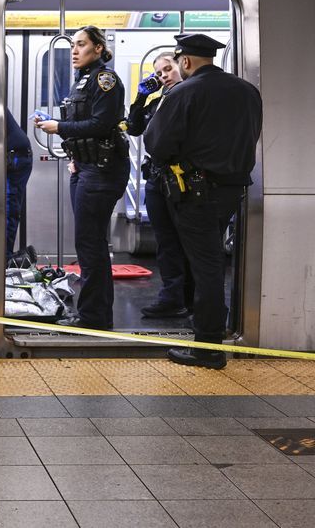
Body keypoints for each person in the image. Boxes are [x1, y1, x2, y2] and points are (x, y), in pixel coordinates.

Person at [145, 33, 262, 369]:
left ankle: (208, 346)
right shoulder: (247, 91)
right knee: (210, 261)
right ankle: (209, 330)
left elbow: (157, 144)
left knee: (206, 265)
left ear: (185, 61)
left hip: (196, 194)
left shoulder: (184, 92)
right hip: (231, 190)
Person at [35, 26, 128, 331]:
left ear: (98, 48)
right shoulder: (83, 82)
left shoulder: (105, 80)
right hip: (86, 168)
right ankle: (93, 313)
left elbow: (101, 125)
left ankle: (94, 318)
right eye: (73, 45)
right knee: (88, 243)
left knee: (91, 245)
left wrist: (58, 128)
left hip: (101, 172)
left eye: (82, 44)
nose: (74, 50)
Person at [126, 51, 191, 319]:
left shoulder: (188, 97)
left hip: (180, 179)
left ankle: (187, 297)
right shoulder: (157, 102)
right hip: (156, 178)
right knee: (165, 241)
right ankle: (171, 296)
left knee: (183, 240)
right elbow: (133, 128)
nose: (164, 76)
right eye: (159, 73)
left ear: (181, 66)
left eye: (168, 69)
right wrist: (141, 98)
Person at [5, 109, 34, 263]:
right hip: (14, 155)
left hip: (16, 158)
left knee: (8, 209)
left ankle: (4, 259)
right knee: (8, 209)